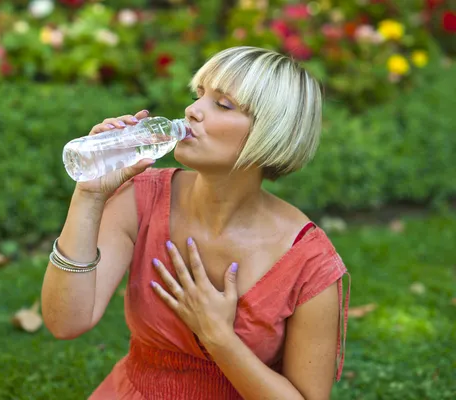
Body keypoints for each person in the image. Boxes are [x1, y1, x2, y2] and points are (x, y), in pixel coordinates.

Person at [41, 46, 350, 400]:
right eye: (198, 95)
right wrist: (89, 196)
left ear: (272, 133)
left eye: (223, 104)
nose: (191, 111)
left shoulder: (308, 262)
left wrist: (218, 337)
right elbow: (66, 322)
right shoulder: (142, 197)